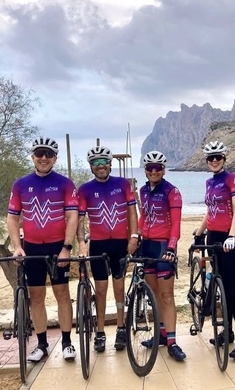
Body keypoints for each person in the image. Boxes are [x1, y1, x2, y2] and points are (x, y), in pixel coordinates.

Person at [7, 137, 78, 362]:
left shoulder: (65, 184)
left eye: (48, 154)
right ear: (33, 157)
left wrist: (67, 248)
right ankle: (41, 345)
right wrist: (17, 247)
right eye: (39, 153)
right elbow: (12, 217)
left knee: (62, 293)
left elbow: (72, 216)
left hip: (58, 247)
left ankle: (66, 342)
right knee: (36, 296)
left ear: (55, 158)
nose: (44, 158)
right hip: (32, 248)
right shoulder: (20, 184)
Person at [77, 146, 139, 352]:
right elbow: (79, 219)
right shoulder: (85, 189)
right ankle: (100, 332)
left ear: (110, 164)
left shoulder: (122, 184)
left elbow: (132, 212)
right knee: (101, 290)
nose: (100, 165)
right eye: (95, 162)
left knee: (119, 288)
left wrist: (133, 236)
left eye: (104, 161)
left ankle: (121, 328)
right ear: (91, 166)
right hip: (98, 244)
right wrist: (81, 242)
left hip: (120, 243)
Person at [194, 141, 235, 361]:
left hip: (229, 238)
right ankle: (227, 332)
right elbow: (211, 210)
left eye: (218, 157)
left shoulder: (232, 178)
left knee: (231, 290)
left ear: (224, 158)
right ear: (207, 161)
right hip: (213, 237)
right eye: (211, 158)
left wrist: (231, 235)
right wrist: (199, 232)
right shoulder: (209, 182)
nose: (214, 160)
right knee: (220, 287)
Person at [138, 151, 186, 361]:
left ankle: (172, 342)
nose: (154, 171)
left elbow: (176, 223)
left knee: (167, 296)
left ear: (164, 170)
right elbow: (143, 217)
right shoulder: (142, 190)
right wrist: (136, 236)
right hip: (147, 247)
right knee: (154, 294)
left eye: (158, 168)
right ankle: (161, 335)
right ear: (145, 170)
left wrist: (171, 248)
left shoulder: (172, 192)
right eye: (150, 168)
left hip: (163, 247)